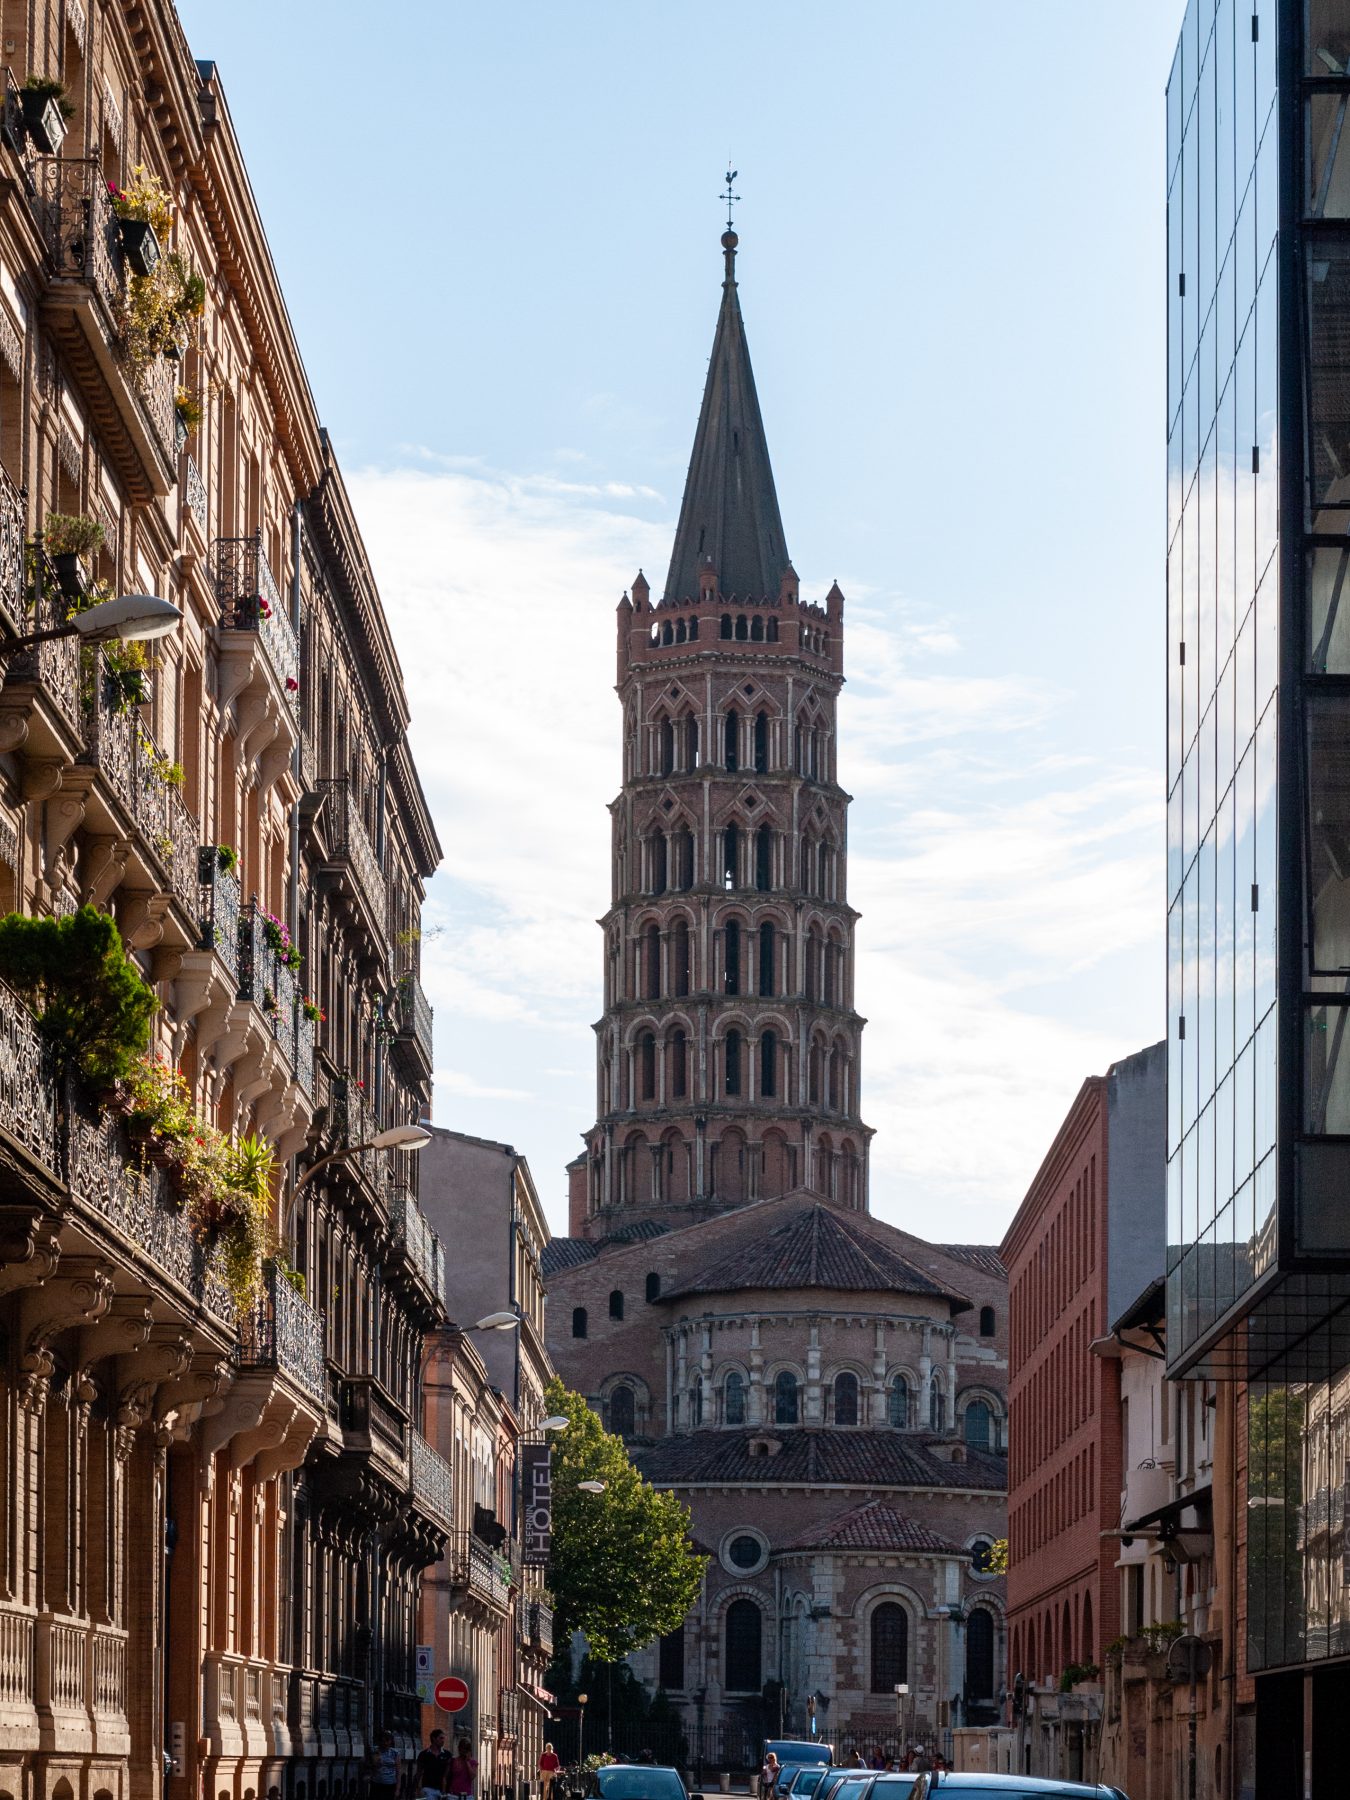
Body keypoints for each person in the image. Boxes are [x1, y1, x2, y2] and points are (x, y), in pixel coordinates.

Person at [413, 1730, 451, 1797]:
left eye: (443, 1738)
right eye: (440, 1738)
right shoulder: (424, 1754)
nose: (443, 1741)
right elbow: (419, 1772)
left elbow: (447, 1774)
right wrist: (416, 1788)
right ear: (434, 1738)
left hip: (442, 1790)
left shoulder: (447, 1755)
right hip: (428, 1788)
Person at [372, 1732, 401, 1800]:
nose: (385, 1743)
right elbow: (370, 1765)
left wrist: (397, 1789)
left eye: (387, 1741)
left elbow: (398, 1772)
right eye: (383, 1741)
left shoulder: (395, 1753)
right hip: (377, 1784)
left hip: (390, 1785)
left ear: (391, 1741)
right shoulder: (374, 1750)